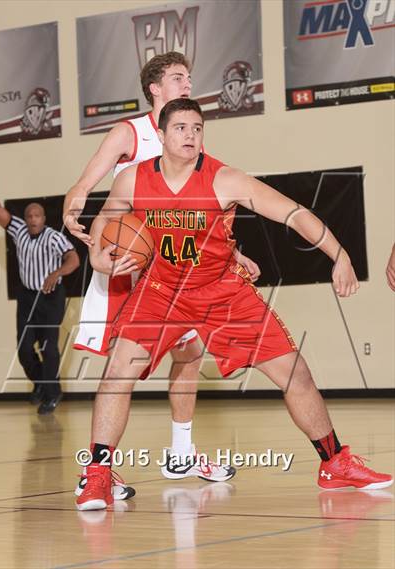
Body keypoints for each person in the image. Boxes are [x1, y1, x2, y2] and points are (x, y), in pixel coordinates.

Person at [76, 98, 393, 510]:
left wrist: (340, 254)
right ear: (162, 135)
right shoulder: (133, 180)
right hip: (162, 292)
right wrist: (100, 253)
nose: (190, 135)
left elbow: (293, 213)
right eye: (181, 128)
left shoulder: (225, 179)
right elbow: (106, 219)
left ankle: (335, 463)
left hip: (222, 291)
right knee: (118, 371)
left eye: (197, 128)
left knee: (295, 373)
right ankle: (98, 473)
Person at [64, 53, 259, 493]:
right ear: (154, 87)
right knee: (122, 368)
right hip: (130, 265)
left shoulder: (188, 139)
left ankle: (181, 452)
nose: (187, 83)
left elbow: (202, 210)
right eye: (177, 77)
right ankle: (95, 471)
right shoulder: (128, 132)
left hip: (177, 271)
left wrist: (232, 254)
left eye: (189, 76)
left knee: (189, 355)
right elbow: (84, 183)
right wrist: (74, 208)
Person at [0, 174, 80, 414]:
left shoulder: (54, 237)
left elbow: (74, 259)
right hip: (27, 297)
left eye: (37, 216)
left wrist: (56, 273)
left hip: (50, 298)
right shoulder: (18, 230)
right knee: (24, 348)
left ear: (43, 219)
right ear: (25, 219)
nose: (33, 219)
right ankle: (40, 384)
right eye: (29, 216)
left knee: (48, 347)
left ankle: (51, 394)